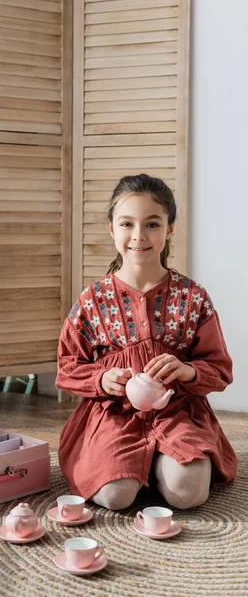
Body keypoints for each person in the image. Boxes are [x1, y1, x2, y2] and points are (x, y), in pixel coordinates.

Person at [56, 173, 237, 511]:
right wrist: (101, 379)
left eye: (152, 224)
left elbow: (220, 369)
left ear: (169, 228)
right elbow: (68, 368)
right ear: (112, 229)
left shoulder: (193, 297)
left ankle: (158, 463)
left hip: (179, 411)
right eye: (127, 224)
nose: (139, 236)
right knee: (114, 496)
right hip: (112, 414)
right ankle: (136, 467)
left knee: (188, 493)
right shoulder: (93, 299)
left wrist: (186, 371)